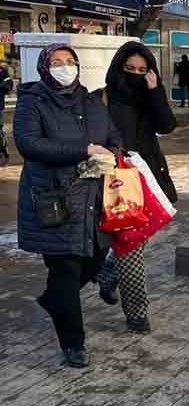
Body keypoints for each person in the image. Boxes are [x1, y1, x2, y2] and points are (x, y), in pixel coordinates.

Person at [15, 44, 121, 368]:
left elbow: (113, 140)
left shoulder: (93, 102)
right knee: (65, 270)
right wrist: (84, 148)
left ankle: (53, 301)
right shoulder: (32, 102)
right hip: (54, 200)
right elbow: (30, 144)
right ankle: (73, 344)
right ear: (45, 68)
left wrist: (108, 156)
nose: (65, 67)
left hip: (93, 198)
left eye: (70, 61)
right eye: (57, 62)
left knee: (94, 259)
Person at [95, 41, 177, 333]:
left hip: (149, 176)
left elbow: (167, 125)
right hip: (116, 180)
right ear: (119, 67)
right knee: (131, 244)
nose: (136, 74)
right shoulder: (101, 99)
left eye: (142, 70)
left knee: (139, 239)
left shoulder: (149, 95)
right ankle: (137, 314)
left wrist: (155, 92)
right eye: (130, 69)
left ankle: (107, 273)